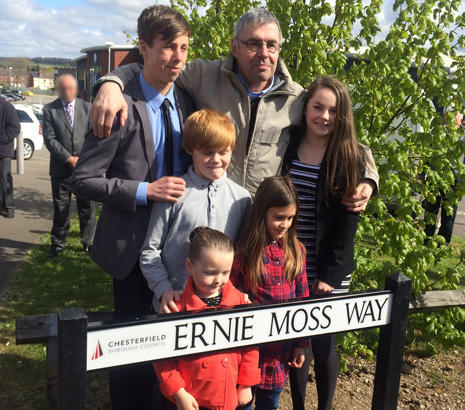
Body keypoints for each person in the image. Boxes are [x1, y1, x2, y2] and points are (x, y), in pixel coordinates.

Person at [89, 8, 379, 211]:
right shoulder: (203, 75)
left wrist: (368, 179)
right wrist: (111, 83)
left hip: (260, 221)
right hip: (205, 215)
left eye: (272, 45)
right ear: (235, 47)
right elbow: (153, 67)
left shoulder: (297, 99)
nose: (264, 53)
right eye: (253, 43)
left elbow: (343, 136)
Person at [69, 5, 195, 410]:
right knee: (130, 354)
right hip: (131, 253)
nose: (178, 58)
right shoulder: (117, 105)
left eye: (184, 48)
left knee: (174, 349)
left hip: (181, 250)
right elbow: (83, 180)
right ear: (143, 47)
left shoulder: (190, 101)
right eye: (168, 48)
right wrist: (145, 190)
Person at [282, 76, 368, 410]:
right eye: (318, 107)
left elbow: (348, 224)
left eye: (333, 110)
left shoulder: (349, 155)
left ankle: (325, 406)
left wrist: (329, 276)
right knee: (295, 341)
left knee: (323, 342)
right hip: (291, 263)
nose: (325, 116)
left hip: (329, 268)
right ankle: (300, 405)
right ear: (306, 108)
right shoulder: (287, 144)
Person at [140, 109, 251, 314]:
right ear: (191, 149)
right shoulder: (173, 193)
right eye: (208, 152)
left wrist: (240, 291)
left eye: (223, 151)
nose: (216, 159)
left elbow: (245, 255)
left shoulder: (242, 199)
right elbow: (150, 251)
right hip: (176, 306)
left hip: (225, 308)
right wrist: (163, 289)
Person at [153, 227, 261, 410]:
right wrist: (179, 392)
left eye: (225, 272)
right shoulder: (175, 309)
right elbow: (163, 360)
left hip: (228, 396)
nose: (218, 280)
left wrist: (246, 384)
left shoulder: (240, 303)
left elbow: (250, 347)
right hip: (189, 401)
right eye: (210, 273)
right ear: (189, 265)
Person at [230, 175, 309, 410]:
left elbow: (302, 301)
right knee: (242, 403)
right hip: (249, 349)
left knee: (270, 402)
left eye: (290, 218)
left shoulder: (296, 250)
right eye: (278, 217)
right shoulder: (245, 250)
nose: (284, 224)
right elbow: (231, 293)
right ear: (262, 211)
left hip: (279, 351)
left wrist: (301, 343)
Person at [43, 74, 96, 257]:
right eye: (63, 89)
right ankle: (58, 244)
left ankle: (89, 242)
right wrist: (68, 158)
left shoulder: (88, 108)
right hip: (60, 168)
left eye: (70, 88)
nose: (66, 92)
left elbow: (93, 137)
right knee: (60, 208)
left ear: (76, 89)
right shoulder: (50, 110)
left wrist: (82, 160)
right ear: (58, 90)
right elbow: (50, 139)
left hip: (84, 168)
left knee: (87, 207)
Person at [423, 111, 464, 245]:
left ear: (460, 119)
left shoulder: (462, 136)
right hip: (435, 179)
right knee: (430, 209)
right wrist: (422, 175)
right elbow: (426, 155)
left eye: (454, 117)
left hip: (455, 180)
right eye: (447, 118)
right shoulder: (436, 134)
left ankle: (443, 242)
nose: (450, 120)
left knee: (449, 214)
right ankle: (427, 239)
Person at [0, 96, 20, 218]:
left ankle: (9, 207)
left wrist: (1, 139)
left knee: (5, 177)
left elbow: (15, 128)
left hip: (4, 151)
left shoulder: (7, 107)